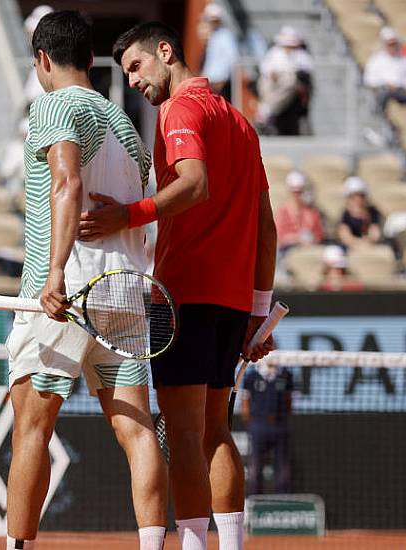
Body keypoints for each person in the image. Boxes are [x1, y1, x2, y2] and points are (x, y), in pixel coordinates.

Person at [84, 21, 278, 550]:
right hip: (233, 302)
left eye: (136, 67)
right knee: (215, 433)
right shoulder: (240, 122)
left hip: (184, 296)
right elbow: (267, 226)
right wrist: (258, 311)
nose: (134, 82)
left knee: (187, 436)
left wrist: (128, 215)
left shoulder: (180, 110)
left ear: (165, 52)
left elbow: (195, 184)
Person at [4, 12, 168, 550]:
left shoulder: (54, 104)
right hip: (123, 293)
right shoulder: (125, 122)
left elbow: (67, 182)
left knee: (32, 428)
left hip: (65, 294)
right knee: (137, 430)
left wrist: (53, 273)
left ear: (43, 61)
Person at [240, 361, 293, 496]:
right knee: (255, 464)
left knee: (283, 465)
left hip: (280, 425)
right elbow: (245, 402)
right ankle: (253, 497)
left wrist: (282, 418)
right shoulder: (251, 376)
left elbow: (288, 400)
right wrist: (252, 424)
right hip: (258, 425)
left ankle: (282, 498)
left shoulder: (286, 375)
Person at [255, 26, 313, 135]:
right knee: (264, 83)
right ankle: (267, 109)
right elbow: (265, 67)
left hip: (289, 83)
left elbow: (305, 69)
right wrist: (272, 73)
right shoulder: (274, 52)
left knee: (289, 80)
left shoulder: (301, 55)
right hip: (273, 82)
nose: (288, 48)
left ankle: (267, 110)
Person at [363, 27, 406, 109]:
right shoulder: (375, 60)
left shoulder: (404, 59)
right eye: (390, 44)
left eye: (394, 44)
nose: (392, 47)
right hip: (385, 91)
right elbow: (369, 80)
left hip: (402, 91)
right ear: (384, 44)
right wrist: (387, 84)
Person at [274, 171, 323, 253]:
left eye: (299, 192)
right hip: (289, 251)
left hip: (309, 249)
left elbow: (319, 235)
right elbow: (279, 236)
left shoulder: (312, 213)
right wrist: (297, 238)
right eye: (294, 192)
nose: (297, 195)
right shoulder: (282, 212)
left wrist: (310, 240)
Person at [199, 3, 240, 100]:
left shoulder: (225, 36)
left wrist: (222, 81)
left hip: (220, 83)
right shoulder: (215, 36)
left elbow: (232, 59)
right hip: (212, 82)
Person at [338, 177, 382, 248]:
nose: (357, 200)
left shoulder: (373, 213)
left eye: (361, 196)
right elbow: (345, 236)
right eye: (353, 196)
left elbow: (375, 234)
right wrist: (358, 243)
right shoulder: (346, 215)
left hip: (370, 247)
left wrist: (367, 241)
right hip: (352, 248)